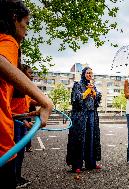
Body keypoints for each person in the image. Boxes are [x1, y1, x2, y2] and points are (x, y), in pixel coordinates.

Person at [0, 1, 53, 188]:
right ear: (15, 18)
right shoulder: (7, 40)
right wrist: (44, 100)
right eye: (27, 22)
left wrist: (20, 116)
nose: (27, 29)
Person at [66, 67, 102, 173]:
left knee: (92, 137)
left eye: (91, 73)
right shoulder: (77, 85)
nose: (89, 75)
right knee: (79, 138)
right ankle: (77, 165)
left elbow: (98, 99)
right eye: (87, 73)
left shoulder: (93, 86)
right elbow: (76, 99)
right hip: (80, 115)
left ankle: (91, 163)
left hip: (92, 114)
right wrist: (88, 91)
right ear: (83, 74)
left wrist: (94, 92)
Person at [11, 64, 36, 188]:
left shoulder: (24, 89)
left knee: (20, 152)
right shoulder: (13, 89)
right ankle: (13, 178)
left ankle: (17, 176)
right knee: (14, 152)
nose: (32, 76)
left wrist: (42, 101)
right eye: (30, 73)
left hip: (20, 123)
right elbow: (11, 111)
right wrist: (24, 120)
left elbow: (25, 105)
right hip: (12, 124)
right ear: (21, 74)